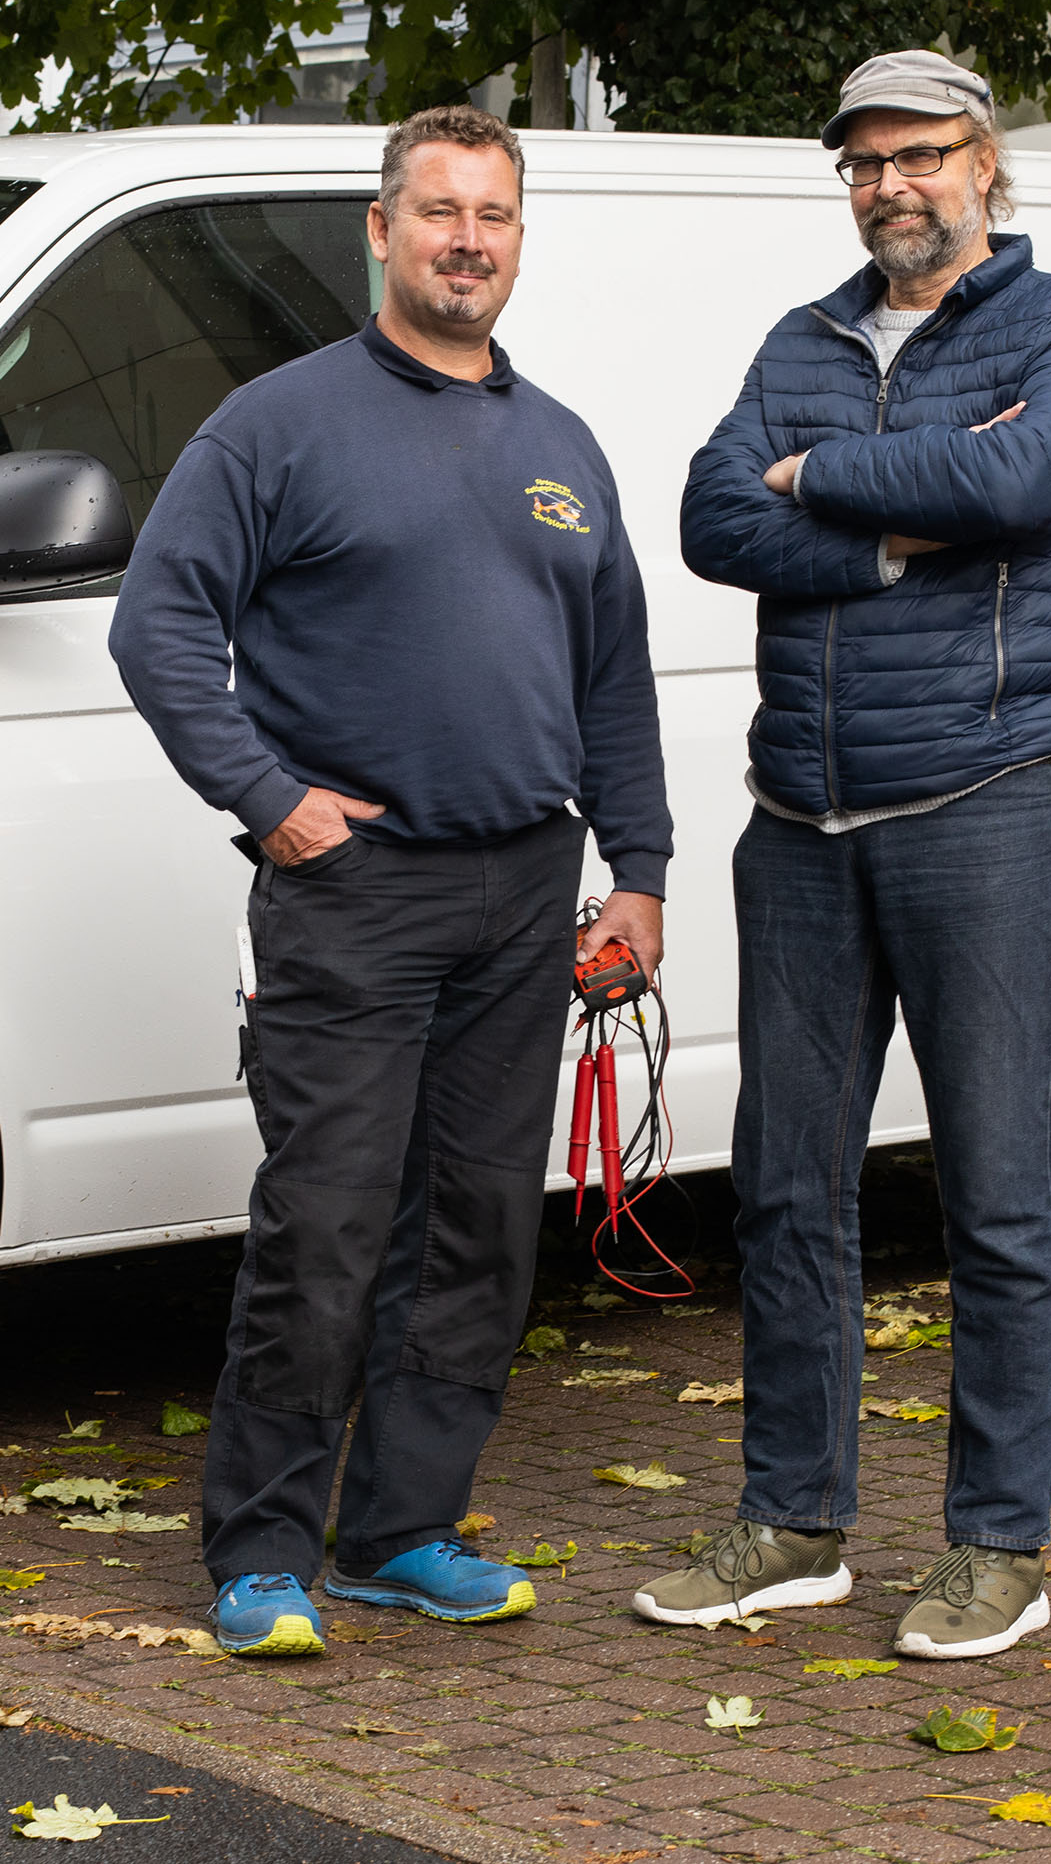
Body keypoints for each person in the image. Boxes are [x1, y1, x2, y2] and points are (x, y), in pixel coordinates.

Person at [110, 106, 671, 1657]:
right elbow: (157, 628)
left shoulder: (561, 446)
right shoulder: (277, 426)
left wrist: (641, 867)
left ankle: (402, 1529)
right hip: (356, 897)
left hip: (523, 891)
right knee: (330, 1225)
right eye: (439, 211)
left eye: (494, 214)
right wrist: (273, 801)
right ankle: (263, 1553)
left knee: (482, 1228)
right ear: (379, 229)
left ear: (516, 238)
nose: (468, 240)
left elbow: (612, 677)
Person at [638, 49, 1051, 1658]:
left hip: (988, 793)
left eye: (918, 155)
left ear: (986, 163)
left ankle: (1001, 1548)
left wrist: (827, 477)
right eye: (863, 163)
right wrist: (910, 522)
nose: (889, 185)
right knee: (785, 1191)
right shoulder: (806, 336)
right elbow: (714, 519)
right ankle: (795, 1521)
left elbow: (1028, 475)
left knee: (997, 1192)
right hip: (803, 817)